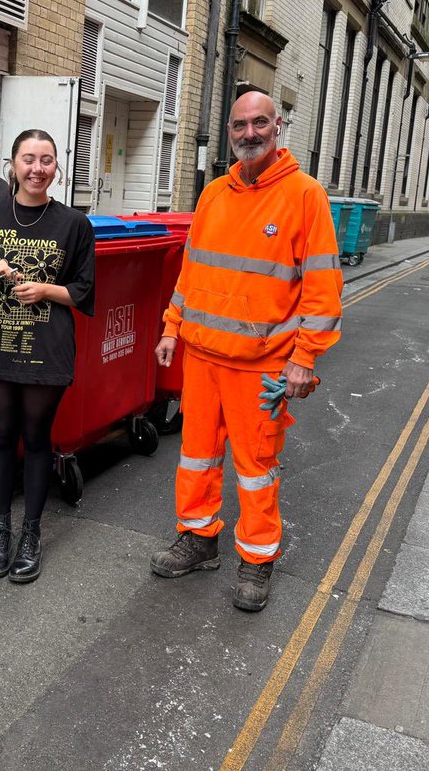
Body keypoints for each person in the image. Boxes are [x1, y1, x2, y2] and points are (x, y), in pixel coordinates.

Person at [150, 91, 343, 613]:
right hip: (202, 357)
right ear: (229, 130)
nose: (250, 133)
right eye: (240, 125)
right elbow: (192, 272)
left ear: (278, 126)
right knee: (195, 456)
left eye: (260, 123)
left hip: (262, 365)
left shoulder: (305, 196)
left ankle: (257, 559)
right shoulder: (214, 194)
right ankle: (198, 537)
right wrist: (172, 326)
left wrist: (305, 357)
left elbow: (322, 290)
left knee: (256, 466)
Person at [0, 129, 95, 584]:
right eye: (28, 159)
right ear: (12, 165)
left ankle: (31, 534)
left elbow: (83, 290)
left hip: (47, 346)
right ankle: (1, 532)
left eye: (47, 160)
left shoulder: (74, 224)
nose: (38, 169)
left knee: (37, 439)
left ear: (57, 166)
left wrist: (44, 290)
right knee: (1, 436)